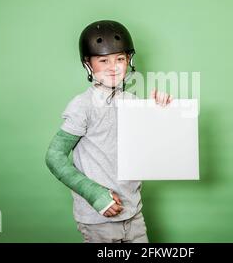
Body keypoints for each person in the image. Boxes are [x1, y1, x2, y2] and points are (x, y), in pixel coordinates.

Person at [45, 20, 172, 243]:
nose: (113, 67)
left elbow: (152, 148)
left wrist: (160, 111)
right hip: (98, 218)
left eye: (120, 59)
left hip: (133, 213)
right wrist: (95, 195)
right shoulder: (82, 105)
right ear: (88, 65)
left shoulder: (132, 101)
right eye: (103, 60)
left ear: (128, 61)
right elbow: (54, 157)